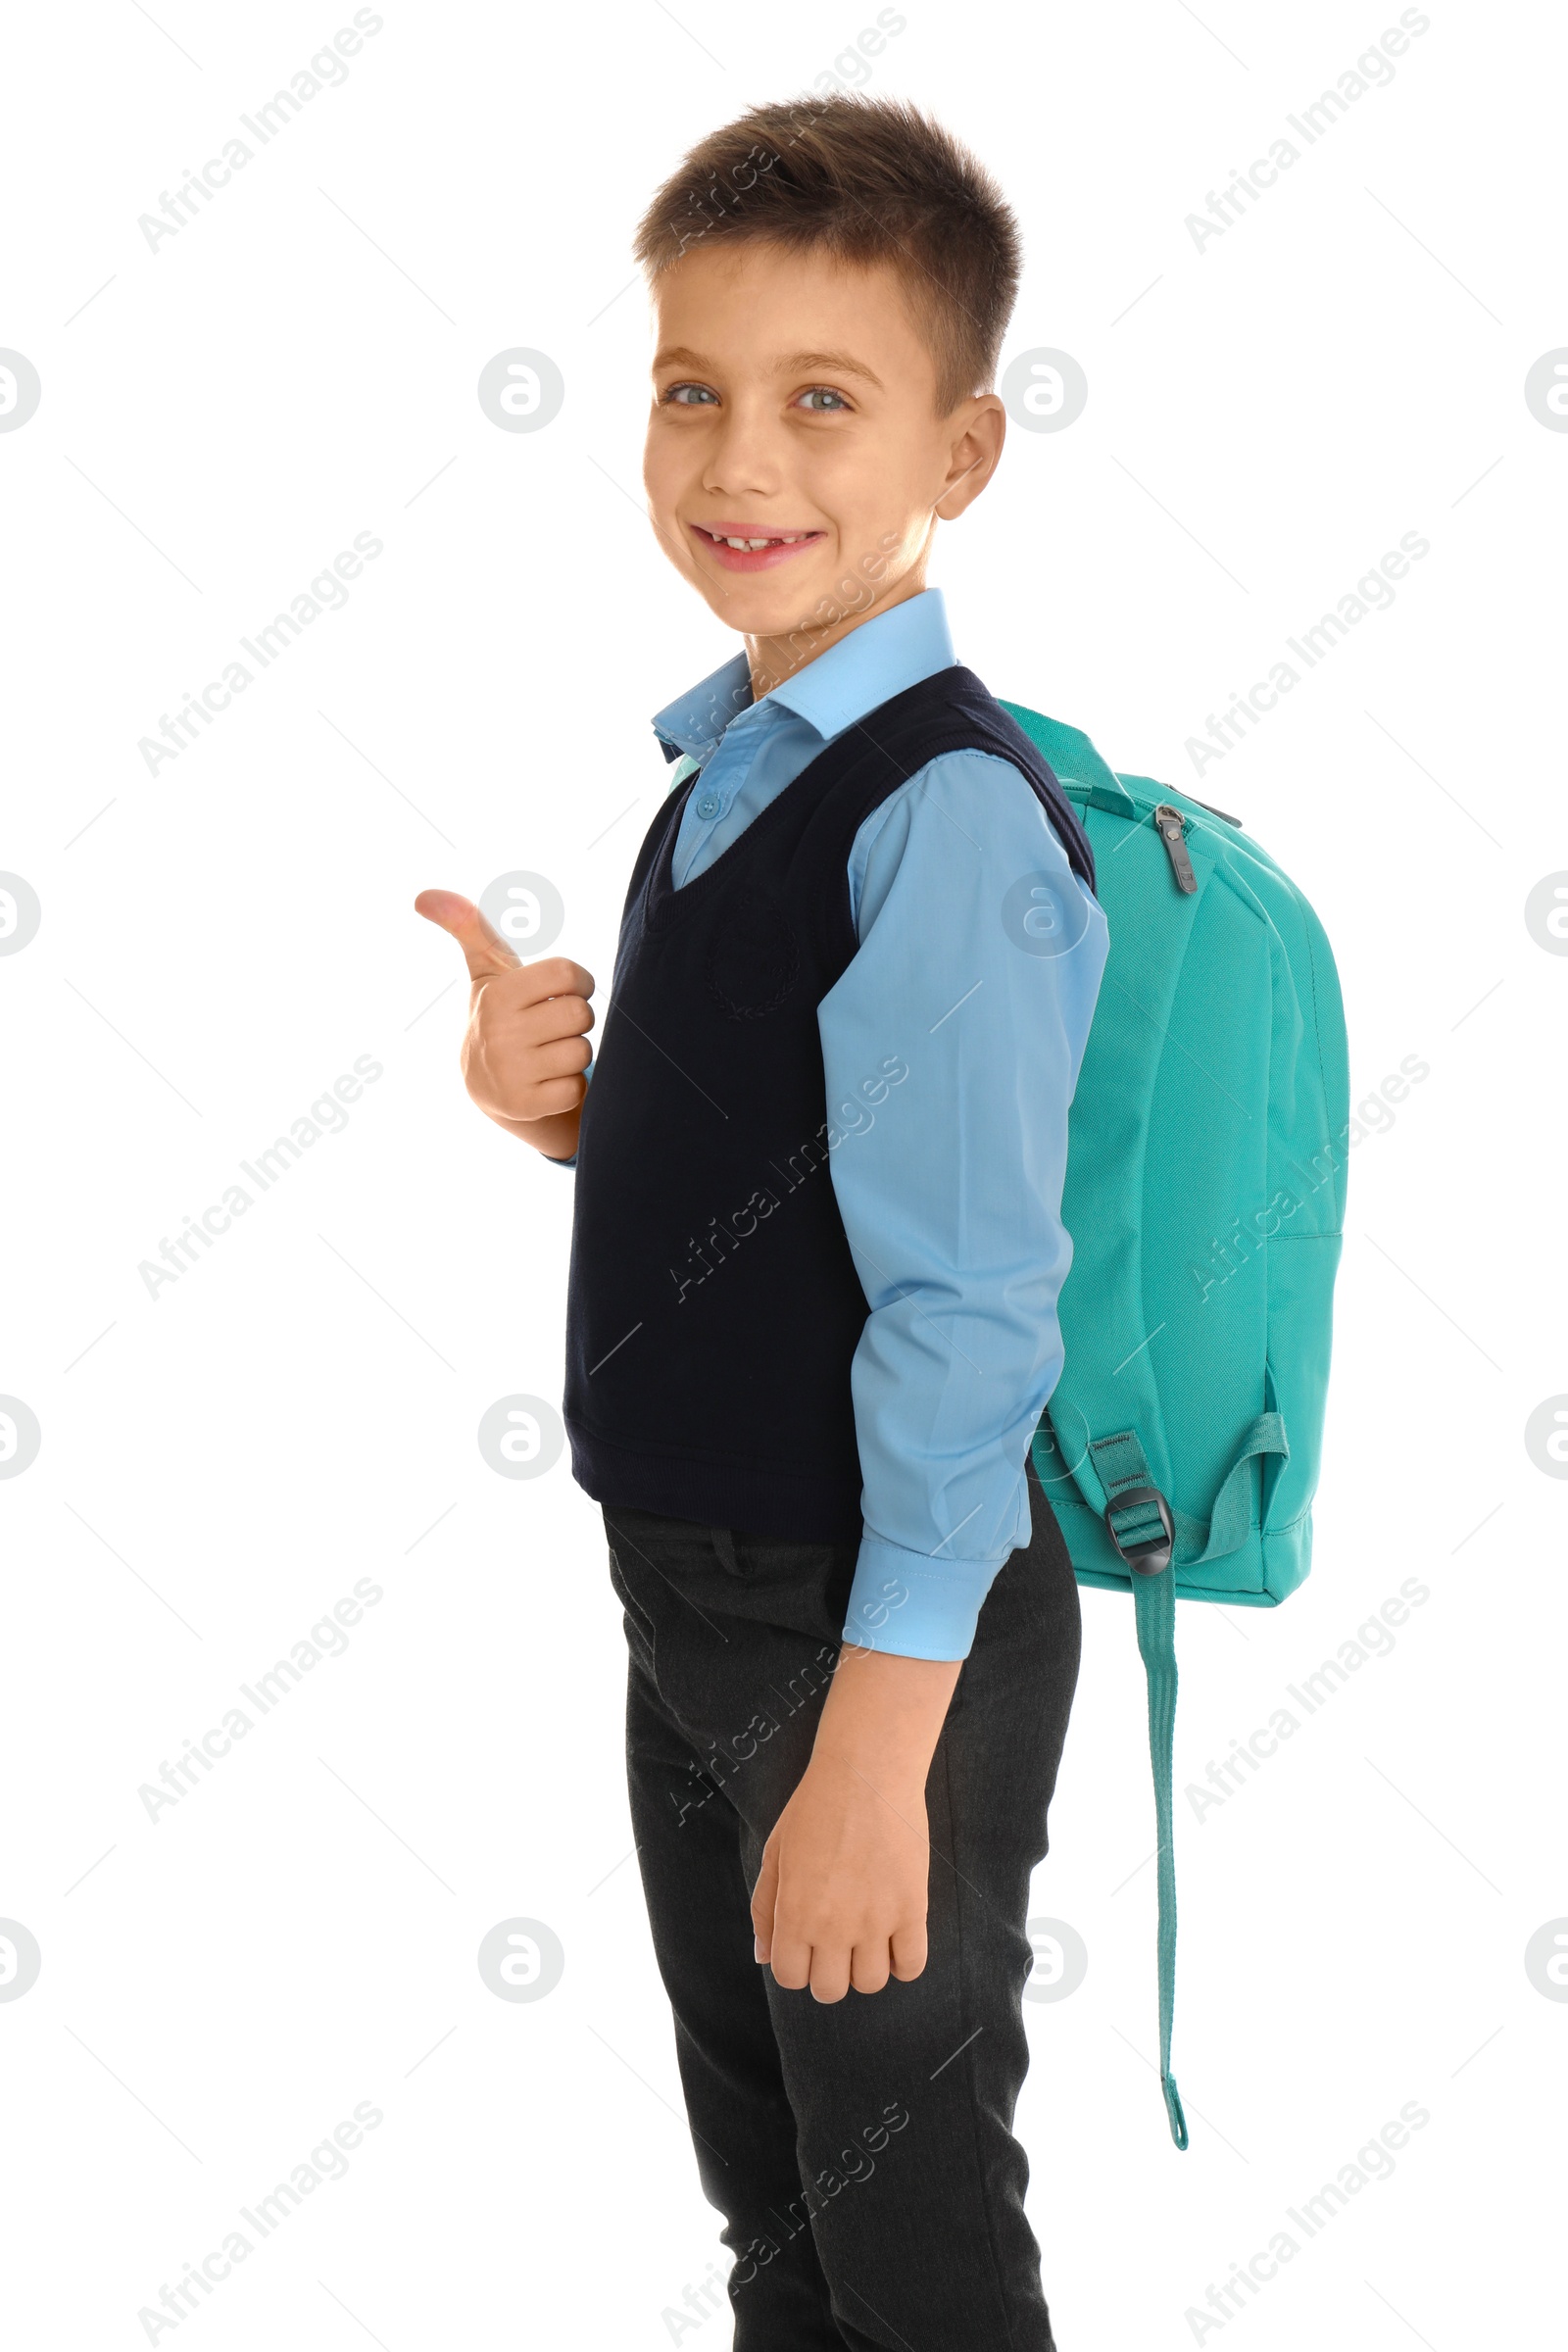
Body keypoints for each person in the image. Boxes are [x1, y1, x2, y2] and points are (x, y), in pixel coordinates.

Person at [417, 91, 1109, 2352]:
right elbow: (793, 1188)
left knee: (909, 2248)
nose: (742, 462)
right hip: (700, 1592)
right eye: (692, 391)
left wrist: (875, 1759)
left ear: (962, 453)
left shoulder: (944, 820)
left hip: (873, 1625)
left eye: (826, 402)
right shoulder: (737, 761)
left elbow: (966, 1310)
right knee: (779, 2224)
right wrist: (569, 1120)